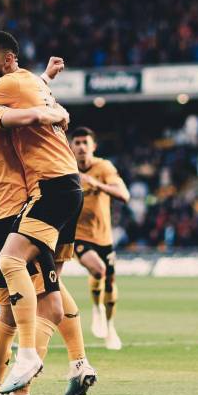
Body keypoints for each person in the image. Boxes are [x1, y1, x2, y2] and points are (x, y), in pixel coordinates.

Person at [0, 31, 95, 395]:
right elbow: (24, 110)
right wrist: (53, 111)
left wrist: (43, 82)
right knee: (51, 298)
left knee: (7, 315)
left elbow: (20, 91)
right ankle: (28, 387)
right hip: (22, 211)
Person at [70, 127, 130, 350]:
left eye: (86, 142)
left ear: (93, 146)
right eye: (77, 142)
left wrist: (96, 184)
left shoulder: (103, 168)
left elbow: (124, 195)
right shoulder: (66, 169)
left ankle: (110, 326)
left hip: (104, 236)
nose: (81, 147)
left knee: (111, 281)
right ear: (71, 147)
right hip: (78, 236)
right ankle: (96, 307)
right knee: (99, 270)